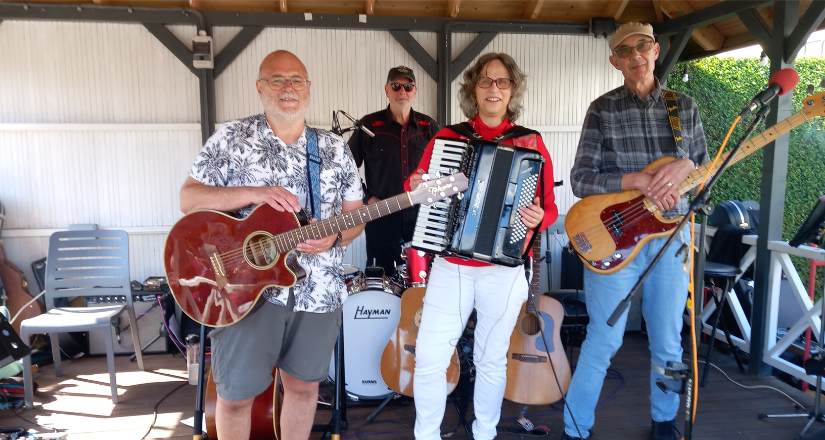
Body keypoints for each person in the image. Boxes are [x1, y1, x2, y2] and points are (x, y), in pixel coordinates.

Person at [179, 50, 364, 440]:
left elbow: (355, 218)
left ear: (308, 88)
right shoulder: (231, 138)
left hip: (317, 291)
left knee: (303, 387)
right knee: (236, 397)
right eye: (277, 80)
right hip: (242, 288)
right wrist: (254, 192)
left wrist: (335, 236)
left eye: (296, 79)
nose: (288, 88)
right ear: (260, 87)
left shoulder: (333, 148)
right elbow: (189, 199)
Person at [562, 23, 709, 440]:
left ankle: (664, 421)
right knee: (602, 340)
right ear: (615, 61)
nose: (635, 56)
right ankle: (575, 429)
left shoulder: (685, 107)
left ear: (656, 50)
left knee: (667, 339)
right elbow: (581, 180)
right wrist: (635, 181)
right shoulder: (601, 109)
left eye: (642, 47)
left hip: (671, 241)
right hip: (616, 238)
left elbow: (703, 172)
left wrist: (689, 166)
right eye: (624, 51)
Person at [404, 53, 559, 440]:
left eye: (502, 81)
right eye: (486, 81)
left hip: (503, 272)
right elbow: (417, 188)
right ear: (474, 89)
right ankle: (427, 436)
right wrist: (417, 182)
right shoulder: (449, 138)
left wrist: (540, 217)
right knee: (429, 359)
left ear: (512, 89)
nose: (493, 88)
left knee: (492, 361)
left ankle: (485, 434)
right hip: (451, 267)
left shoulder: (530, 141)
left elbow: (549, 209)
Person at [348, 66, 440, 276]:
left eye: (408, 86)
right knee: (380, 277)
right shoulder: (369, 126)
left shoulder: (429, 126)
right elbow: (347, 169)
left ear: (414, 91)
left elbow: (443, 170)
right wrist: (367, 197)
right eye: (396, 86)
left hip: (421, 214)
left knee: (425, 276)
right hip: (382, 214)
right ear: (387, 90)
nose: (402, 91)